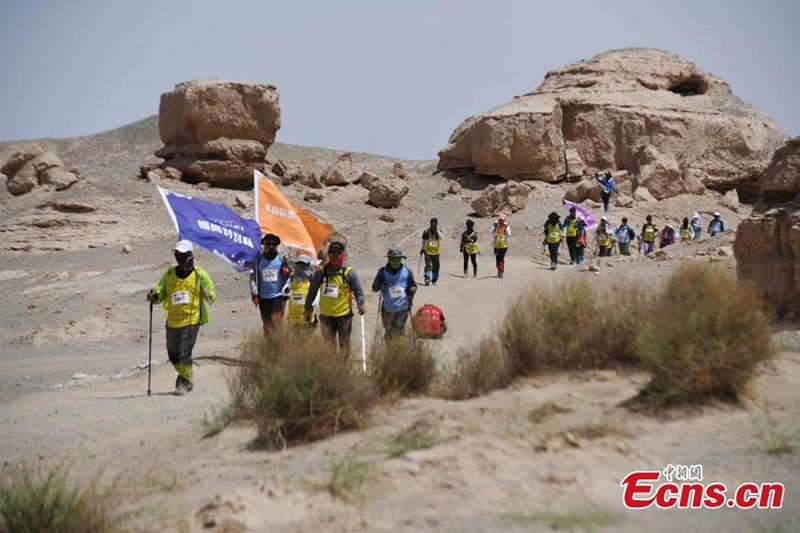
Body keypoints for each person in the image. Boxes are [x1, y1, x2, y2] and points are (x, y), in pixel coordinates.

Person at [146, 240, 216, 395]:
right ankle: (186, 373)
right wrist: (154, 296)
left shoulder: (199, 274)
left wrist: (207, 294)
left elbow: (212, 294)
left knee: (185, 351)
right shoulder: (170, 274)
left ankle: (183, 381)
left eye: (183, 255)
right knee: (172, 354)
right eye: (178, 254)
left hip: (192, 320)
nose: (180, 257)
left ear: (190, 256)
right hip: (173, 321)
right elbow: (160, 292)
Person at [304, 241, 366, 356]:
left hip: (344, 317)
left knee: (344, 346)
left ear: (342, 254)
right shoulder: (321, 272)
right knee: (329, 347)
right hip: (326, 317)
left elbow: (358, 291)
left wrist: (361, 303)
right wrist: (307, 308)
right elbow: (312, 291)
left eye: (336, 254)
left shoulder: (349, 273)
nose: (333, 257)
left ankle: (342, 369)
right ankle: (332, 370)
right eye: (331, 254)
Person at [249, 233, 293, 334]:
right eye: (267, 244)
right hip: (263, 298)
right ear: (263, 245)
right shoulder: (258, 260)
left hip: (278, 296)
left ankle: (279, 346)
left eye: (273, 244)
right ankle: (268, 347)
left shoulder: (282, 259)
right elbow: (253, 276)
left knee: (277, 323)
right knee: (267, 325)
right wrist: (254, 293)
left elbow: (293, 273)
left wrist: (287, 273)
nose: (270, 247)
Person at [371, 248, 418, 338]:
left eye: (397, 259)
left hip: (402, 308)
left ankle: (399, 350)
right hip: (387, 308)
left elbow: (413, 286)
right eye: (392, 259)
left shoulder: (407, 271)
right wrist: (380, 283)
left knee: (399, 330)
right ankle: (389, 350)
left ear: (401, 259)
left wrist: (411, 293)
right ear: (388, 259)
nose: (394, 261)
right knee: (389, 330)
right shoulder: (382, 272)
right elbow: (374, 288)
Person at [287, 254, 317, 327]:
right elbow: (284, 291)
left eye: (303, 264)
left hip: (307, 316)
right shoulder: (291, 279)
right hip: (293, 317)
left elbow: (316, 299)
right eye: (299, 264)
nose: (301, 267)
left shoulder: (312, 280)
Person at [420, 218, 443, 286]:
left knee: (436, 267)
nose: (432, 225)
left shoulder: (439, 232)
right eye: (431, 224)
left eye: (434, 224)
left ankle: (434, 279)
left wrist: (437, 230)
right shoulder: (426, 232)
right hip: (428, 251)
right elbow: (423, 241)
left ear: (436, 224)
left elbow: (441, 238)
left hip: (436, 252)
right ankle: (427, 278)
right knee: (428, 266)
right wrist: (422, 249)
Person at [492, 212, 511, 278]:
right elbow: (491, 231)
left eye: (503, 219)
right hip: (496, 244)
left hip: (504, 245)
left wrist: (505, 229)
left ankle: (501, 271)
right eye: (500, 219)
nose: (501, 221)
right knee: (497, 259)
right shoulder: (496, 224)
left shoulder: (506, 225)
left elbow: (509, 234)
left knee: (501, 258)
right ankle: (499, 270)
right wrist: (496, 226)